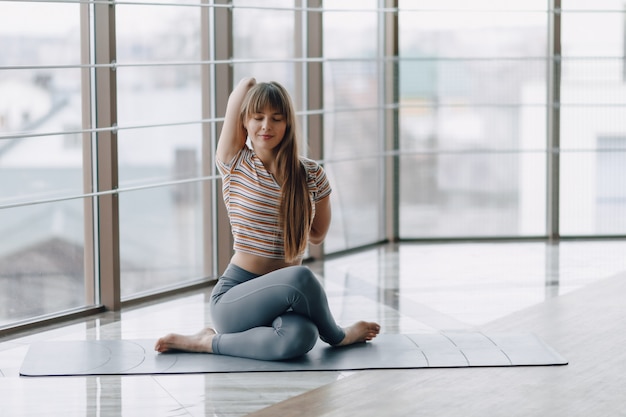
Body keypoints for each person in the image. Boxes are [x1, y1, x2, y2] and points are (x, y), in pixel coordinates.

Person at [155, 77, 380, 361]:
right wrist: (250, 84)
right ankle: (339, 336)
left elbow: (317, 235)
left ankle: (209, 341)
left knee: (302, 337)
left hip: (285, 305)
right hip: (235, 299)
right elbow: (238, 97)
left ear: (288, 124)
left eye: (276, 118)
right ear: (245, 123)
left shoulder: (311, 175)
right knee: (300, 277)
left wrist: (293, 209)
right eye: (257, 117)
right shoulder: (235, 163)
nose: (266, 126)